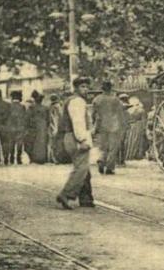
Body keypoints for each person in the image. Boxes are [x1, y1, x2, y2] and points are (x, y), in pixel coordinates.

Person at [56, 77, 95, 209]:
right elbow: (78, 122)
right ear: (76, 88)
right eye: (82, 87)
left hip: (69, 136)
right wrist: (83, 139)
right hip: (75, 137)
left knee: (84, 169)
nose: (86, 90)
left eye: (87, 87)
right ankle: (66, 194)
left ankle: (86, 199)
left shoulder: (70, 100)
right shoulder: (77, 101)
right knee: (81, 169)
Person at [92, 79, 128, 175]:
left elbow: (93, 114)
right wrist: (123, 124)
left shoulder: (96, 99)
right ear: (110, 88)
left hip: (101, 125)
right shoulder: (115, 99)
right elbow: (120, 113)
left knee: (103, 146)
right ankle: (109, 168)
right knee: (113, 147)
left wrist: (94, 124)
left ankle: (101, 159)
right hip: (114, 125)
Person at [4, 90, 29, 165]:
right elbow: (25, 118)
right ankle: (18, 158)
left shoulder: (8, 106)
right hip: (20, 128)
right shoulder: (22, 107)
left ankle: (11, 158)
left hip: (10, 128)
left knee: (11, 143)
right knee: (19, 144)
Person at [27, 91, 50, 164]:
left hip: (34, 127)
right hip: (43, 126)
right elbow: (48, 119)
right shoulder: (46, 108)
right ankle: (43, 158)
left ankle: (34, 158)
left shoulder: (31, 108)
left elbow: (27, 118)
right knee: (43, 142)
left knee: (33, 142)